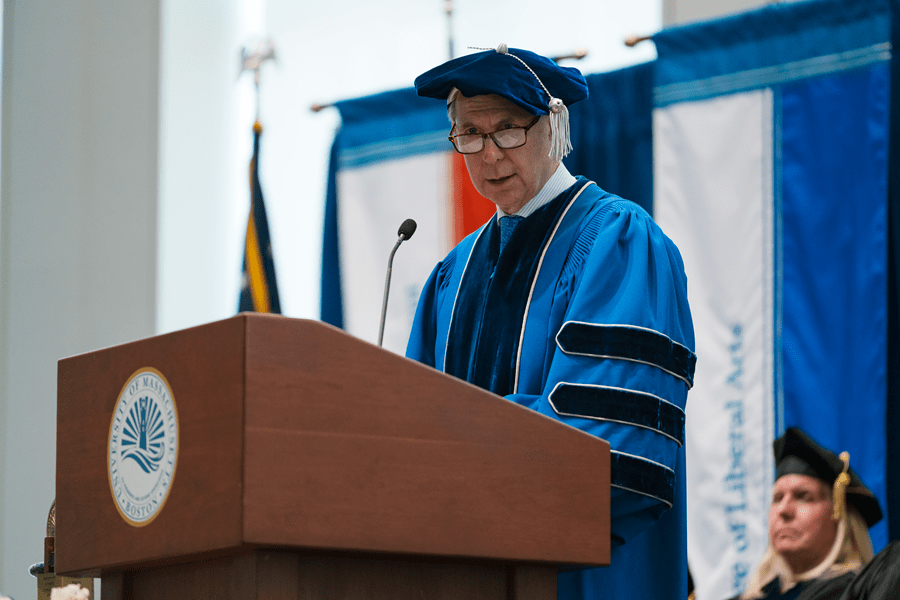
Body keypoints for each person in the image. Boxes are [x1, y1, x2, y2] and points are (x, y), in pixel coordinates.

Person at [406, 44, 696, 599]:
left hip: (583, 575)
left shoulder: (619, 241)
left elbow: (612, 443)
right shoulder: (451, 275)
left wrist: (454, 457)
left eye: (509, 129)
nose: (489, 156)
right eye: (469, 134)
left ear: (555, 125)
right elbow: (410, 426)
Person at [733, 427, 883, 600]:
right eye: (777, 498)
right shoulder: (755, 595)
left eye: (803, 497)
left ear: (840, 515)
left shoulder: (854, 594)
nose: (784, 510)